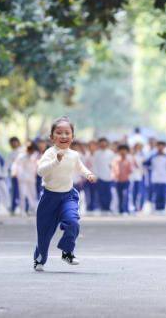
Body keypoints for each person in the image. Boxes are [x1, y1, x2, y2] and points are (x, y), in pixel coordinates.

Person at [33, 116, 97, 272]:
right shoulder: (49, 153)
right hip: (49, 198)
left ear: (72, 137)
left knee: (73, 222)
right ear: (52, 137)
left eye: (67, 133)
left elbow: (80, 167)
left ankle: (67, 251)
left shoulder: (74, 155)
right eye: (59, 133)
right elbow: (40, 171)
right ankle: (40, 258)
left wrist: (88, 175)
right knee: (44, 233)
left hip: (68, 196)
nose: (63, 136)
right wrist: (56, 160)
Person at [143, 141, 166, 213]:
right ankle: (156, 207)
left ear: (164, 147)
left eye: (162, 146)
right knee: (156, 193)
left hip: (164, 178)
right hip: (155, 177)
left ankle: (162, 208)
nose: (160, 148)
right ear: (157, 147)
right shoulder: (152, 156)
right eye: (159, 146)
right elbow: (146, 164)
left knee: (163, 193)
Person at [11, 142, 38, 215]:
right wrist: (17, 174)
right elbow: (17, 166)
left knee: (32, 194)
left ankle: (33, 209)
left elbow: (35, 167)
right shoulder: (21, 156)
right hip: (22, 178)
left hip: (31, 178)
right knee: (22, 194)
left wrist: (34, 174)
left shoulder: (34, 156)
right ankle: (22, 210)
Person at [93, 137, 116, 213]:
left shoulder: (111, 153)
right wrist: (95, 175)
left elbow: (114, 165)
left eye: (104, 143)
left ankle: (108, 207)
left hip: (109, 176)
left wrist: (113, 174)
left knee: (108, 193)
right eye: (101, 143)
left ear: (107, 144)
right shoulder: (96, 153)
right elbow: (95, 165)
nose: (103, 144)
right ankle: (102, 207)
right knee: (100, 193)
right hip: (99, 176)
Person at [111, 144, 133, 214]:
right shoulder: (116, 160)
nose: (123, 152)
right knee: (119, 195)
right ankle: (121, 209)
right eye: (121, 150)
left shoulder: (129, 160)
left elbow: (131, 171)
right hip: (118, 181)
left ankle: (126, 209)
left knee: (125, 194)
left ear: (127, 151)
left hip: (126, 181)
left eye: (124, 150)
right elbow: (113, 170)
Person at [6, 137, 22, 215]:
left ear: (18, 142)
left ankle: (25, 208)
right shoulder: (11, 154)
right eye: (12, 143)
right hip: (14, 175)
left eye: (15, 142)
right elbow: (7, 165)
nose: (13, 144)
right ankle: (13, 208)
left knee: (25, 192)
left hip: (24, 175)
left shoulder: (23, 151)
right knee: (15, 192)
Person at [130, 142, 146, 212]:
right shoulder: (131, 156)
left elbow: (144, 165)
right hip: (133, 176)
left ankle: (140, 206)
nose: (138, 149)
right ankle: (134, 205)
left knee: (141, 192)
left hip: (141, 176)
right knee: (134, 192)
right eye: (137, 147)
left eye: (139, 147)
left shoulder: (143, 155)